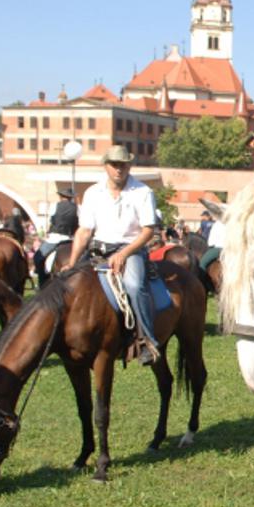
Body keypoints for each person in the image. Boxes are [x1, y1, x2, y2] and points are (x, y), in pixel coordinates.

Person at [68, 145, 161, 365]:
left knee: (133, 285)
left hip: (131, 250)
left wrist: (124, 253)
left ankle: (147, 340)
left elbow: (148, 230)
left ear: (129, 165)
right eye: (115, 165)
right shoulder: (92, 193)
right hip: (98, 250)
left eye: (123, 164)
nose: (119, 169)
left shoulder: (143, 192)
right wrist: (71, 263)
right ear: (106, 166)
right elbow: (84, 231)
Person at [36, 188, 78, 286]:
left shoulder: (55, 206)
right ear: (71, 198)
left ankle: (42, 283)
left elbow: (51, 221)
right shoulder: (78, 207)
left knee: (38, 257)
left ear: (61, 196)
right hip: (71, 239)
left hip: (55, 238)